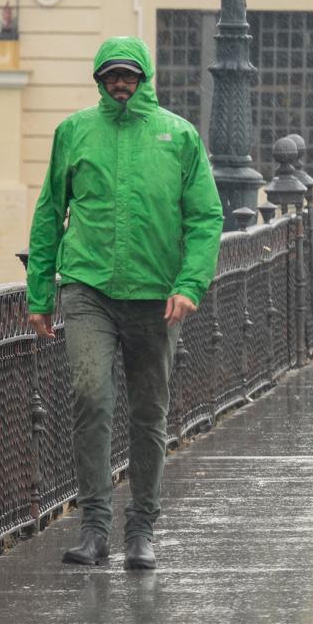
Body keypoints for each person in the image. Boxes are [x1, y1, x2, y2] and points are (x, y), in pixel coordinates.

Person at [26, 36, 223, 570]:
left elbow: (206, 217)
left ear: (144, 78)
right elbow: (50, 212)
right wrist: (40, 292)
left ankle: (141, 527)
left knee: (148, 411)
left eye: (129, 75)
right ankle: (93, 527)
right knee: (91, 395)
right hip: (88, 287)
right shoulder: (74, 132)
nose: (120, 83)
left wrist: (190, 284)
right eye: (112, 74)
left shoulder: (178, 137)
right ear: (99, 78)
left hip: (157, 296)